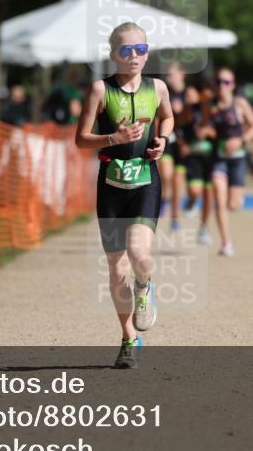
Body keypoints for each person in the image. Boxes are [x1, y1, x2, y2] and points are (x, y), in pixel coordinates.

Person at [75, 22, 174, 369]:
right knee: (116, 267)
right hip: (111, 185)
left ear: (148, 53)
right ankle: (129, 338)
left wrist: (163, 140)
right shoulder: (100, 90)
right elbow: (81, 139)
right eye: (127, 50)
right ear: (113, 54)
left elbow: (168, 117)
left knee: (138, 253)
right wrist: (112, 139)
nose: (135, 57)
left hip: (145, 180)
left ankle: (145, 286)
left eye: (141, 50)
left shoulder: (158, 87)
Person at [206, 67, 253, 257]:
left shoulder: (240, 104)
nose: (222, 86)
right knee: (219, 197)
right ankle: (226, 242)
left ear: (233, 85)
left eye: (227, 82)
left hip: (238, 158)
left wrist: (241, 140)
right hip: (219, 157)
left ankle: (238, 199)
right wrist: (205, 131)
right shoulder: (210, 105)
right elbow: (204, 125)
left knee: (233, 205)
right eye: (219, 82)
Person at [178, 76, 216, 245]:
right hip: (193, 156)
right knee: (195, 191)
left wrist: (210, 132)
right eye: (204, 95)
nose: (206, 98)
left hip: (212, 156)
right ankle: (191, 202)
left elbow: (222, 133)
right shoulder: (191, 109)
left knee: (208, 195)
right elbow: (176, 126)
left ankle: (203, 229)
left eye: (209, 96)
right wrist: (183, 144)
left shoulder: (216, 110)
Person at [158, 62, 188, 231]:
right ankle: (163, 200)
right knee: (166, 175)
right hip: (168, 140)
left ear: (182, 74)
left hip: (183, 145)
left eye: (173, 74)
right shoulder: (165, 94)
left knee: (178, 184)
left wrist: (184, 111)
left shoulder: (189, 94)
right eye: (168, 75)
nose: (170, 77)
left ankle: (175, 217)